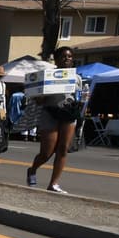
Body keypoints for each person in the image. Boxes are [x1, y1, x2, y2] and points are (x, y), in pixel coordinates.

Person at [25, 46, 77, 192]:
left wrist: (84, 98)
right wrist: (46, 91)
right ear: (56, 59)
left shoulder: (76, 77)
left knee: (63, 149)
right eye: (63, 56)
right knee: (47, 152)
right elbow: (39, 101)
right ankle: (32, 169)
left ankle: (53, 184)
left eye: (69, 56)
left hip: (68, 114)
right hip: (50, 113)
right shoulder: (48, 76)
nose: (67, 59)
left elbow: (79, 97)